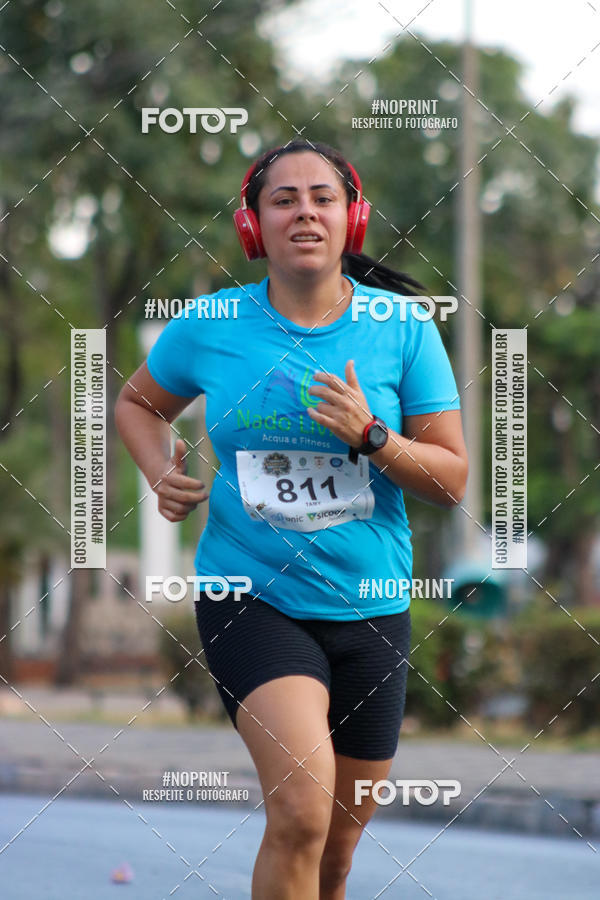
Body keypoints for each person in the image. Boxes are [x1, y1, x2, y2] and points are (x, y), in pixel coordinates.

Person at [115, 139, 468, 899]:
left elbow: (450, 481)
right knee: (301, 814)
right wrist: (161, 469)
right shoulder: (209, 324)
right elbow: (139, 404)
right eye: (283, 198)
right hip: (249, 594)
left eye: (322, 197)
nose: (304, 210)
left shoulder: (404, 329)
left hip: (372, 606)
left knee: (336, 854)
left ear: (352, 218)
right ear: (254, 225)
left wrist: (373, 436)